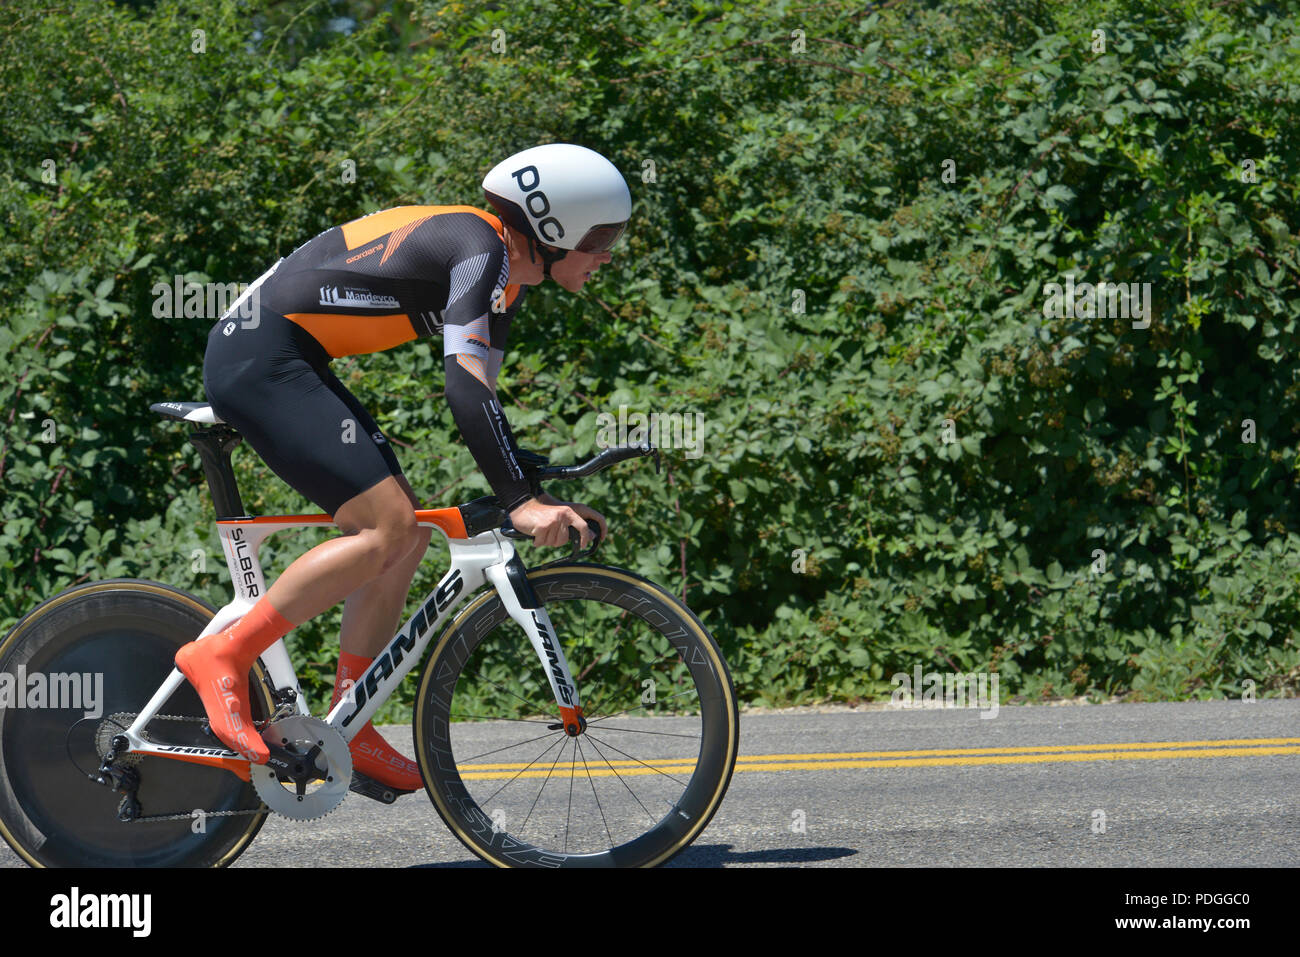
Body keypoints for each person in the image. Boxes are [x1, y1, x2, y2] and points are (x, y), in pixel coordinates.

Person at [173, 144, 631, 791]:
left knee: (408, 534)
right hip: (260, 356)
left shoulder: (504, 277)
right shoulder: (483, 246)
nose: (610, 252)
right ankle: (226, 651)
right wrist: (522, 504)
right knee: (384, 526)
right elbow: (463, 388)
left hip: (291, 353)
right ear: (552, 230)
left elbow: (483, 402)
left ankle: (348, 722)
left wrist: (526, 486)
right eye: (602, 237)